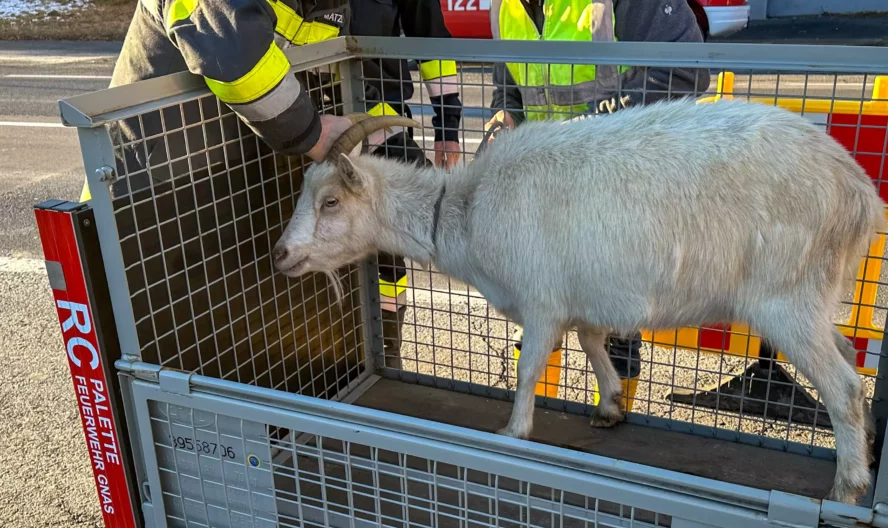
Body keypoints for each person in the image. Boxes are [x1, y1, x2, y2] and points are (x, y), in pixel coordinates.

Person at [90, 0, 464, 370]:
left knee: (241, 328)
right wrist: (316, 136)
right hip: (141, 203)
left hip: (235, 180)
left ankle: (379, 361)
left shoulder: (329, 6)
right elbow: (232, 50)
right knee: (149, 354)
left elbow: (318, 71)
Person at [484, 0, 710, 411]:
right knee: (539, 311)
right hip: (548, 194)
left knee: (619, 319)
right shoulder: (505, 9)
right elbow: (510, 91)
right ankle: (541, 419)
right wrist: (504, 123)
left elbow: (686, 69)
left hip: (621, 188)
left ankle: (615, 421)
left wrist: (595, 124)